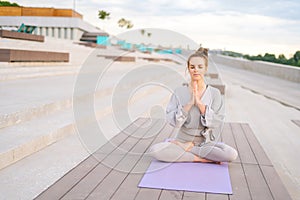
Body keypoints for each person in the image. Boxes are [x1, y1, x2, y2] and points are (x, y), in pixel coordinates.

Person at [148, 47, 238, 163]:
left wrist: (199, 103)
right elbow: (174, 122)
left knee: (231, 154)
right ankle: (201, 159)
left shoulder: (215, 93)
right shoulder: (179, 92)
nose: (196, 70)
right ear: (188, 69)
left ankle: (189, 150)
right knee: (155, 150)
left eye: (200, 67)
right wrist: (190, 103)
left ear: (205, 69)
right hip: (182, 140)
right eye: (192, 67)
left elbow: (216, 121)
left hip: (205, 144)